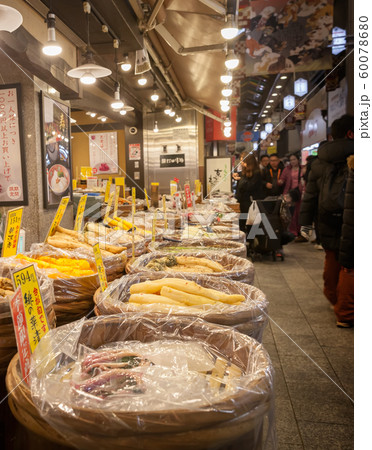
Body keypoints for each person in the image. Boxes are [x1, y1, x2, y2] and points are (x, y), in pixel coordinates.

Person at [299, 115, 354, 327]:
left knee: (332, 257)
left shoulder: (320, 161)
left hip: (327, 220)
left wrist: (305, 223)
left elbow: (310, 196)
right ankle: (346, 313)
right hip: (352, 220)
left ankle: (335, 299)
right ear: (350, 134)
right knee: (350, 265)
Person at [336, 154, 354, 327]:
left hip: (347, 226)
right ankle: (345, 312)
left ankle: (344, 311)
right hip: (348, 226)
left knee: (346, 267)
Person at [235, 151, 264, 232]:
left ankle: (251, 242)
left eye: (242, 161)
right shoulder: (244, 172)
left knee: (250, 225)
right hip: (243, 202)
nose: (241, 163)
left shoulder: (257, 173)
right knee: (243, 224)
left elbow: (249, 187)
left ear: (248, 162)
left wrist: (240, 179)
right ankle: (246, 240)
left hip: (251, 203)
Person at [280, 153, 306, 242]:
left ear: (298, 159)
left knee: (299, 213)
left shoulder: (302, 168)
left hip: (300, 194)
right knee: (290, 214)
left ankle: (299, 232)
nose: (293, 161)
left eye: (294, 159)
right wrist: (280, 181)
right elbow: (282, 179)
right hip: (289, 194)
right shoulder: (287, 169)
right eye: (291, 160)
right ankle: (292, 231)